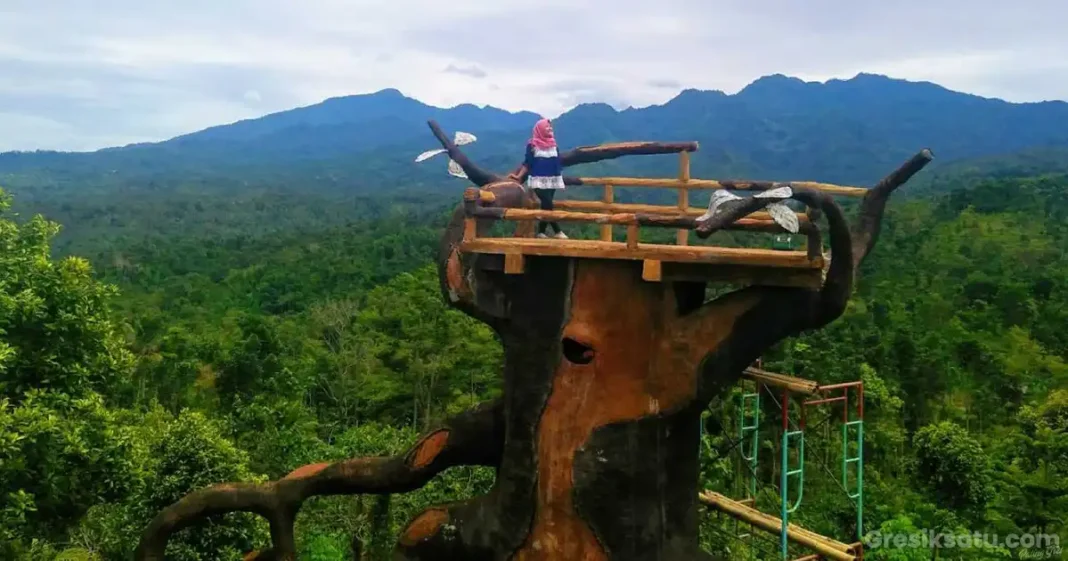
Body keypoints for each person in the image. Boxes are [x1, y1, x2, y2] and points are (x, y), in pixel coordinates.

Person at [509, 118, 567, 239]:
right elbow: (527, 163)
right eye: (547, 127)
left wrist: (559, 179)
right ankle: (558, 231)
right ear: (540, 129)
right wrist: (519, 176)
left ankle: (541, 232)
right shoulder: (532, 145)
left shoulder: (553, 144)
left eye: (550, 127)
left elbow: (556, 163)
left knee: (546, 206)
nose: (550, 129)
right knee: (548, 203)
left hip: (553, 180)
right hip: (538, 180)